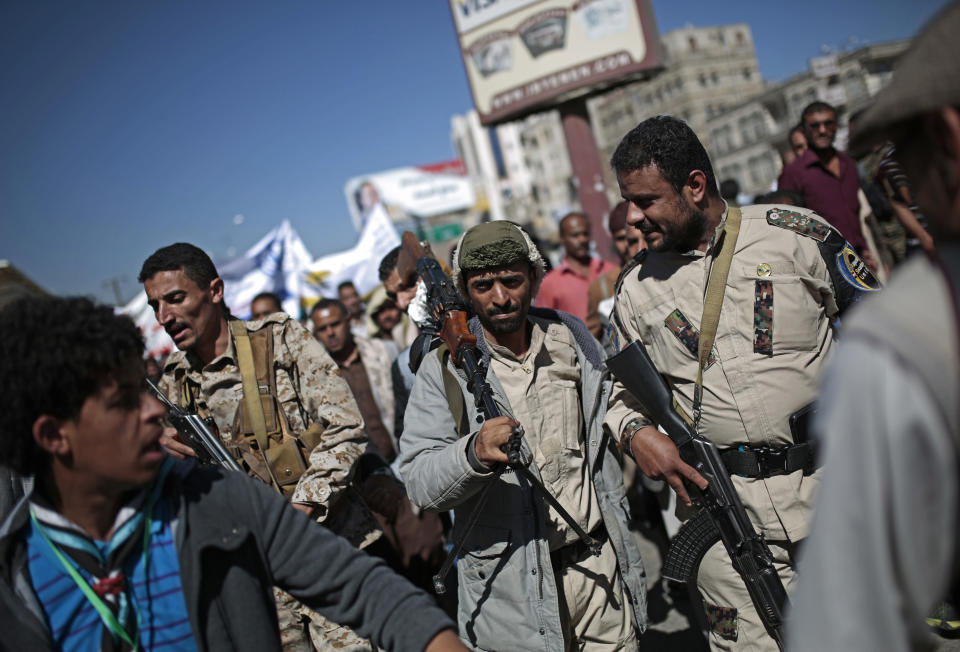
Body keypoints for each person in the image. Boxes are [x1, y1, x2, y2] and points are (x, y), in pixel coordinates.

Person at [0, 295, 465, 652]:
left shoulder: (220, 502)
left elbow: (364, 590)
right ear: (53, 436)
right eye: (123, 401)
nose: (151, 412)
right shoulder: (14, 580)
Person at [604, 115, 877, 651]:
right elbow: (615, 395)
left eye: (647, 200)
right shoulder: (633, 292)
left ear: (696, 185)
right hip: (723, 513)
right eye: (628, 201)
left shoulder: (798, 236)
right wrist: (636, 434)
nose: (633, 217)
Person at [788, 4, 960, 649]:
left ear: (946, 138)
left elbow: (848, 624)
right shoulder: (796, 180)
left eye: (904, 158)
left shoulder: (902, 339)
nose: (901, 184)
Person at [399, 220, 647, 651]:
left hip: (597, 573)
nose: (499, 297)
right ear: (465, 290)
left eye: (512, 281)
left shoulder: (569, 337)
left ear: (534, 277)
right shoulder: (444, 370)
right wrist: (472, 454)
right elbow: (419, 482)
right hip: (511, 594)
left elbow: (613, 404)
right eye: (483, 286)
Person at [138, 243, 379, 652]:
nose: (165, 318)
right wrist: (167, 461)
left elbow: (346, 427)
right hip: (259, 581)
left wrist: (301, 508)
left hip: (326, 551)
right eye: (155, 306)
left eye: (175, 299)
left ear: (215, 291)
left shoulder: (280, 340)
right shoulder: (173, 385)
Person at [310, 299, 447, 600]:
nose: (331, 333)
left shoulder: (379, 352)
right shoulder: (317, 375)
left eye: (335, 324)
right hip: (360, 480)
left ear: (348, 320)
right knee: (392, 564)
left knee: (427, 549)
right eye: (323, 329)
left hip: (403, 460)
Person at [778, 102, 869, 251]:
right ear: (805, 131)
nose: (822, 130)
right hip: (824, 262)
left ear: (836, 126)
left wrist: (864, 248)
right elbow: (786, 222)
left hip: (860, 256)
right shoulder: (793, 173)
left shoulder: (849, 163)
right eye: (815, 126)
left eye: (828, 124)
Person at [536, 211, 619, 323]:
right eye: (575, 235)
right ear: (562, 239)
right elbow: (544, 324)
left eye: (585, 234)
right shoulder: (549, 284)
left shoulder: (610, 270)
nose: (582, 240)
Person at [585, 201, 631, 342]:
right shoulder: (601, 288)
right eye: (621, 238)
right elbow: (593, 341)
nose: (628, 244)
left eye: (633, 236)